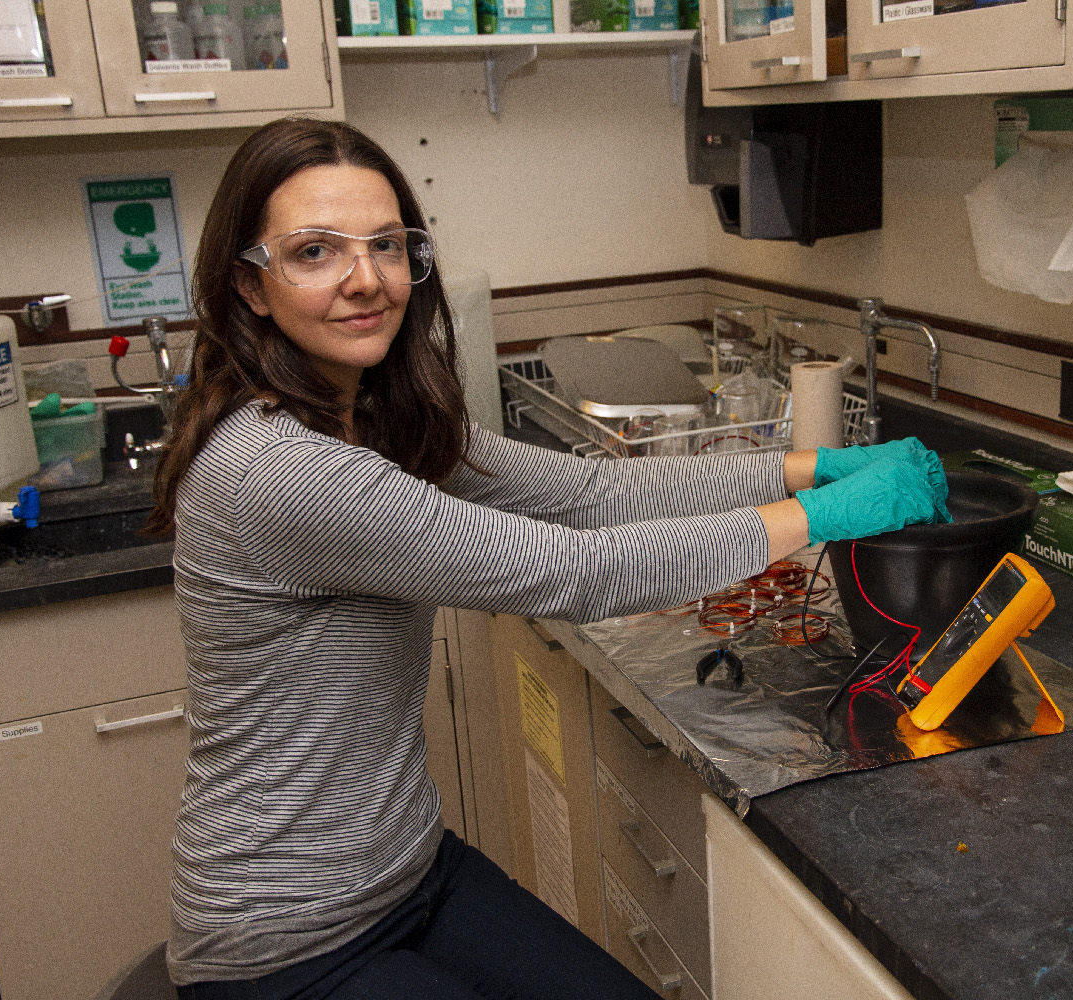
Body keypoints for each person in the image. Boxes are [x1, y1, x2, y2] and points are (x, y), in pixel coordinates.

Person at [146, 116, 948, 999]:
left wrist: (812, 462)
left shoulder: (371, 417)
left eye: (386, 245)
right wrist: (821, 514)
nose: (365, 279)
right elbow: (580, 569)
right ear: (250, 288)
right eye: (314, 252)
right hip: (284, 945)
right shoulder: (277, 467)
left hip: (409, 873)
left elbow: (587, 494)